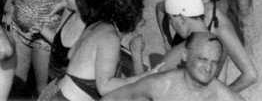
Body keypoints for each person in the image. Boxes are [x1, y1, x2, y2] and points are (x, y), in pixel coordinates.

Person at [102, 33, 242, 100]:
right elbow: (111, 98)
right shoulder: (161, 85)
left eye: (214, 62)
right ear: (185, 55)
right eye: (202, 59)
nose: (208, 67)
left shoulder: (222, 96)